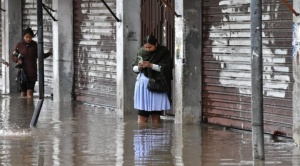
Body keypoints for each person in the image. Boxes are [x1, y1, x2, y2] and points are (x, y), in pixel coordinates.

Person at [132, 35, 173, 124]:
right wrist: (138, 68)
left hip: (157, 86)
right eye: (146, 47)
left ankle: (157, 136)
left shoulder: (163, 52)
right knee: (142, 115)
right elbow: (134, 68)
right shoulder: (141, 52)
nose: (147, 49)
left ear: (156, 44)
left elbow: (166, 68)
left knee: (156, 115)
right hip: (142, 87)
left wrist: (151, 65)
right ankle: (142, 135)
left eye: (150, 47)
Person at [11, 27, 52, 98]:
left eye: (30, 37)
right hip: (22, 72)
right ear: (23, 37)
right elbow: (13, 56)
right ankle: (23, 108)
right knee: (23, 93)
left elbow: (39, 56)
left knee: (30, 92)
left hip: (32, 71)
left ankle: (30, 108)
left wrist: (49, 53)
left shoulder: (35, 45)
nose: (28, 39)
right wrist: (18, 60)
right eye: (26, 37)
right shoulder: (19, 45)